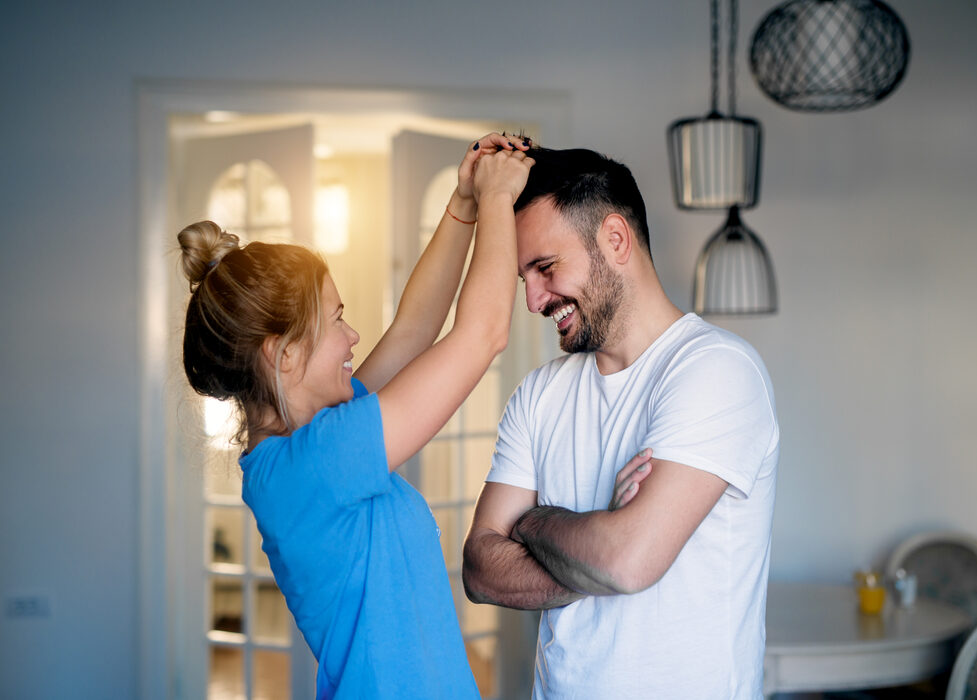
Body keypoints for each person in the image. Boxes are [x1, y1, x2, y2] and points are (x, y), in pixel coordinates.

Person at [177, 132, 533, 699]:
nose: (353, 337)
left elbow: (415, 330)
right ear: (284, 353)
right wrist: (498, 200)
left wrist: (464, 203)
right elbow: (482, 335)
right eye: (336, 320)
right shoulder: (316, 463)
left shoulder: (313, 446)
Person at [462, 146, 779, 699]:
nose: (534, 299)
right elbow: (480, 569)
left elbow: (627, 563)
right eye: (524, 279)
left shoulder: (716, 369)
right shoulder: (538, 394)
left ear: (615, 239)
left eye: (545, 267)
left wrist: (532, 522)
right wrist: (597, 538)